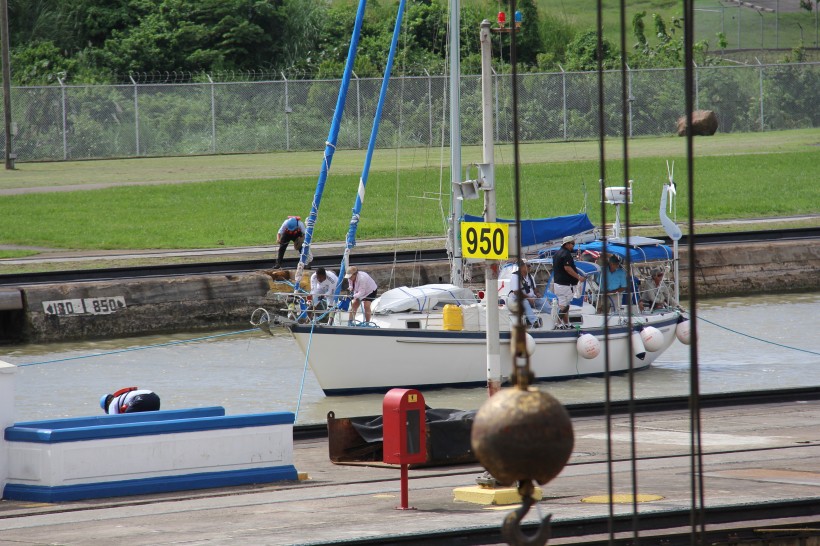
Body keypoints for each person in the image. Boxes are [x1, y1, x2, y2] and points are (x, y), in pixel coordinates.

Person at [552, 236, 586, 327]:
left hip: (558, 283)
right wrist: (578, 277)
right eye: (572, 244)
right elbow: (567, 268)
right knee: (564, 305)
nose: (573, 246)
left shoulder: (557, 253)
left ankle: (566, 323)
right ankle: (558, 324)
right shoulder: (566, 254)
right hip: (565, 284)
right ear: (567, 244)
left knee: (564, 304)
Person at [508, 260, 548, 328]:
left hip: (530, 298)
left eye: (530, 266)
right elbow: (516, 292)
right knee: (524, 301)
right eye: (528, 266)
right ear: (521, 267)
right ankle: (534, 321)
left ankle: (558, 313)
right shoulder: (515, 277)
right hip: (517, 301)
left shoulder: (530, 277)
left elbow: (534, 289)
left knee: (542, 301)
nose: (530, 267)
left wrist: (537, 294)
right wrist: (528, 298)